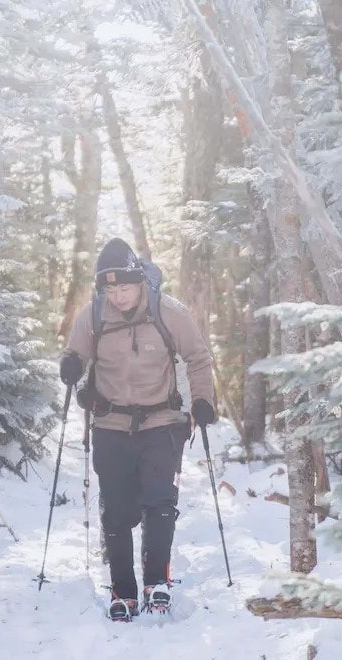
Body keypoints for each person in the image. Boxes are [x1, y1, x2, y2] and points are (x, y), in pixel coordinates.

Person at [59, 238, 216, 622]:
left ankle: (156, 581)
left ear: (139, 282)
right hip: (110, 423)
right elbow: (75, 352)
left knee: (160, 502)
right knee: (117, 510)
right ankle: (122, 589)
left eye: (124, 287)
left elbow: (198, 358)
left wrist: (203, 401)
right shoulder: (93, 315)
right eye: (109, 289)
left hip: (163, 421)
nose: (118, 295)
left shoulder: (169, 311)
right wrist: (72, 368)